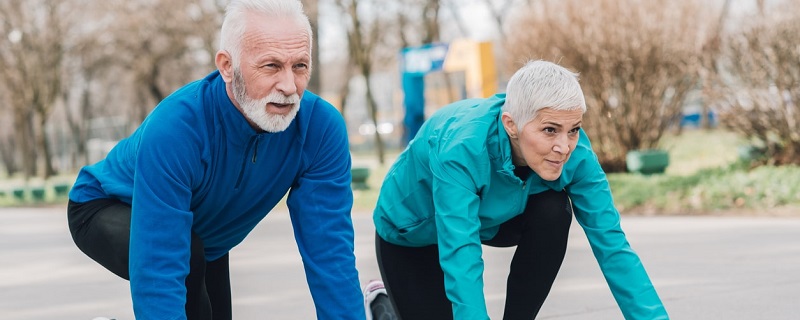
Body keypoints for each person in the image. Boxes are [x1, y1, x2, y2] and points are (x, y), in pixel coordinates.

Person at [66, 0, 365, 319]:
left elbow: (330, 253)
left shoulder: (320, 129)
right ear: (226, 66)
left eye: (300, 66)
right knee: (186, 262)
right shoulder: (177, 129)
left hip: (202, 233)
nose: (289, 86)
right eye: (271, 66)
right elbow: (159, 268)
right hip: (104, 205)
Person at [371, 60, 669, 319]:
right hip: (412, 233)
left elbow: (613, 247)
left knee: (553, 209)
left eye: (574, 129)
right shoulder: (461, 149)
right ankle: (382, 304)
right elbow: (461, 253)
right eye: (550, 130)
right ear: (511, 124)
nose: (564, 146)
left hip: (492, 219)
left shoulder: (576, 156)